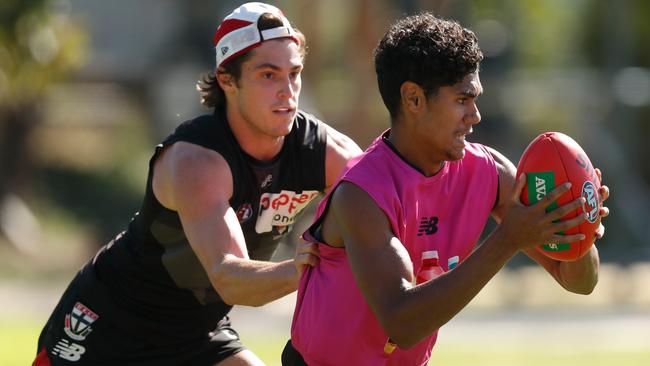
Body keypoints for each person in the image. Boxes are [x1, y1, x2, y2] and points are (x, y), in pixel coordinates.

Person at [33, 2, 361, 365]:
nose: (287, 90)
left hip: (195, 333)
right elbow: (230, 277)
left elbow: (391, 203)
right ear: (227, 80)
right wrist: (306, 265)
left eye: (294, 73)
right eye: (268, 75)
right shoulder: (196, 160)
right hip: (110, 327)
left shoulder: (327, 151)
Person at [282, 12, 610, 366]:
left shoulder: (489, 171)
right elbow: (401, 322)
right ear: (413, 99)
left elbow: (578, 282)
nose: (475, 115)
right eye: (461, 100)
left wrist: (577, 228)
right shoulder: (361, 193)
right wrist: (506, 241)